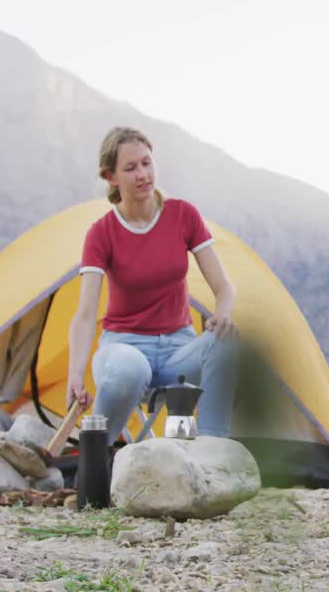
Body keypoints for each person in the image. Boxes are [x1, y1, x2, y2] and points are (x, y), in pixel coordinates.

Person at [66, 126, 240, 446]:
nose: (143, 174)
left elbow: (224, 288)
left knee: (226, 342)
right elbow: (86, 313)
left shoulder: (183, 215)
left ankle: (212, 452)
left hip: (179, 353)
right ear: (111, 177)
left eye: (147, 163)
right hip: (125, 348)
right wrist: (75, 373)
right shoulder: (101, 233)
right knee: (128, 370)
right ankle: (98, 454)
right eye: (130, 168)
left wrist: (223, 315)